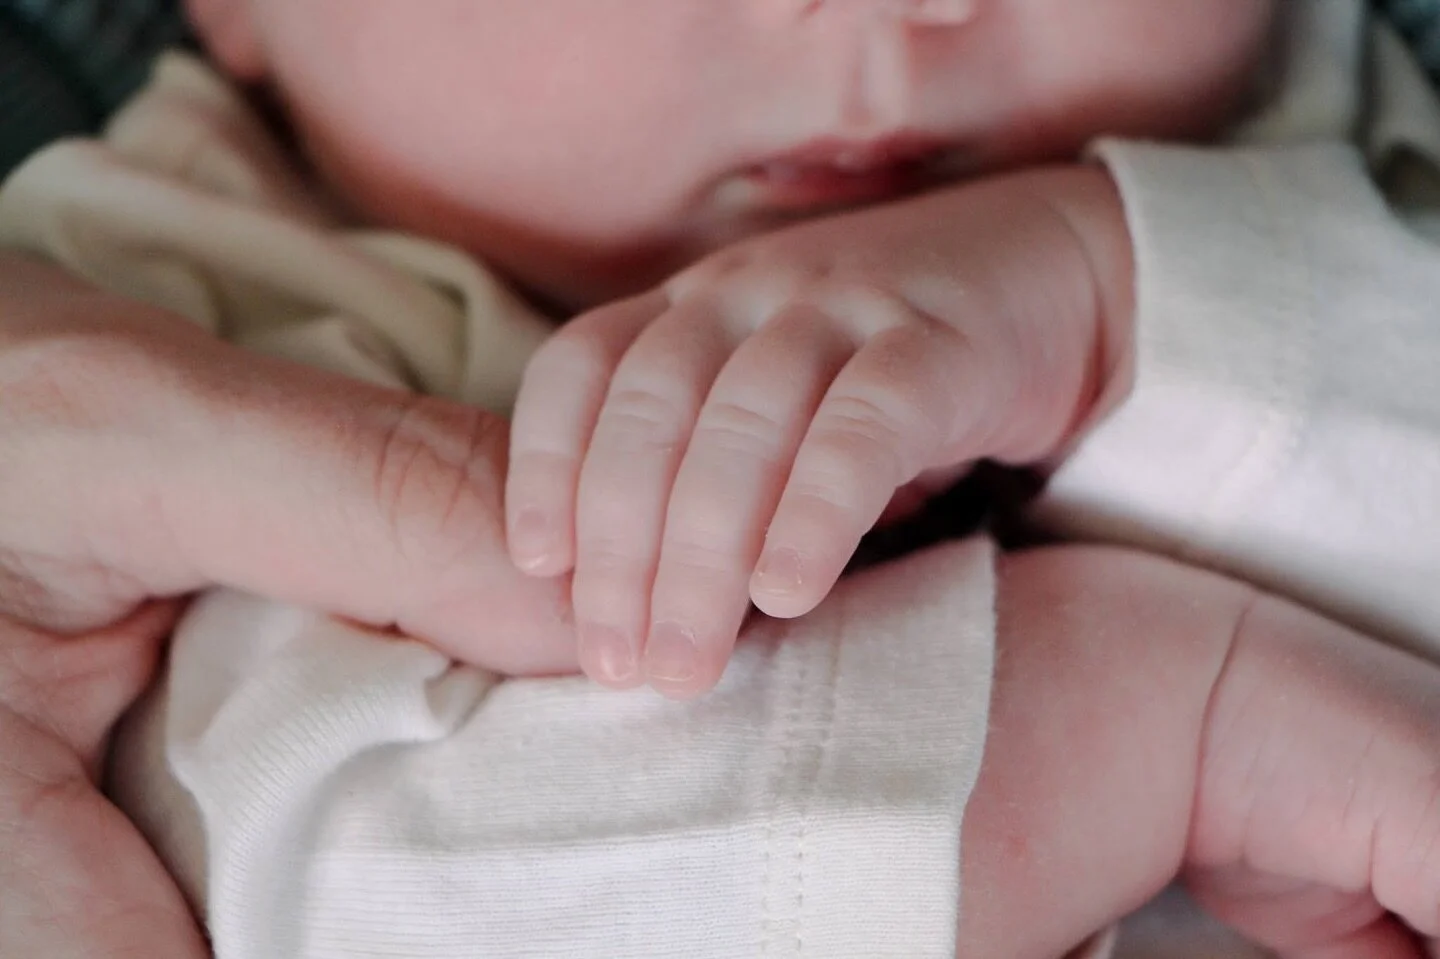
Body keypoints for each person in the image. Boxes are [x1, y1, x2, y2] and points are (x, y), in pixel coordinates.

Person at [5, 1, 1440, 957]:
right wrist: (1153, 723)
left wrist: (1122, 295)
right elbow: (324, 893)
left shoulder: (1341, 108)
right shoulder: (155, 312)